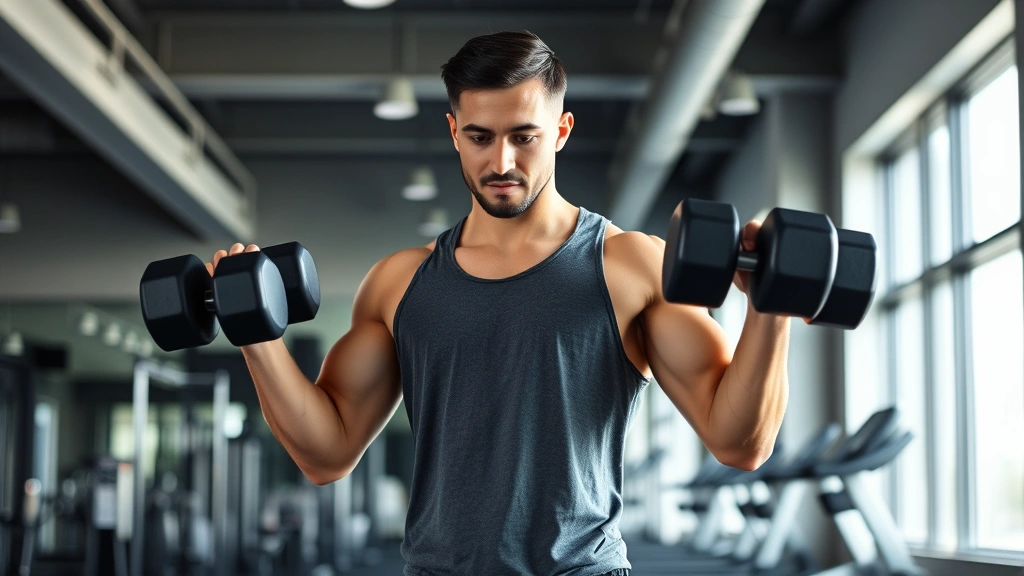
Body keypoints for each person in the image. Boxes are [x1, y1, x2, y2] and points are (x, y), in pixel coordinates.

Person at [207, 30, 790, 576]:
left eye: (524, 136)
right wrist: (257, 335)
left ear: (561, 130)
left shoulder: (630, 266)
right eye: (480, 137)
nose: (502, 163)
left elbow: (740, 443)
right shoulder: (398, 283)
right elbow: (325, 455)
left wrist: (770, 307)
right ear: (453, 130)